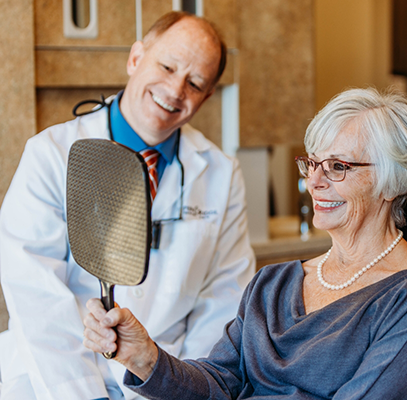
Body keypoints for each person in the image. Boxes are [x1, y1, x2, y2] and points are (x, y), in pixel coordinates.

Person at [83, 87, 407, 399]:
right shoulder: (273, 285)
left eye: (338, 166)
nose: (315, 183)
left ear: (394, 181)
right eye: (312, 164)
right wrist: (143, 357)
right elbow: (218, 383)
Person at [0, 11, 255, 400]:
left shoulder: (221, 173)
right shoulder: (51, 155)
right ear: (136, 58)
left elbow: (223, 304)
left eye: (195, 82)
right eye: (167, 66)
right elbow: (35, 291)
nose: (174, 90)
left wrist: (171, 384)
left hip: (162, 381)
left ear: (206, 97)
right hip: (52, 381)